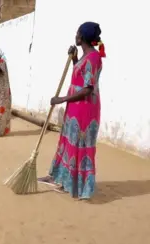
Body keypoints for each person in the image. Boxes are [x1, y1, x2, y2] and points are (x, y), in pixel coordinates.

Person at [38, 22, 105, 200]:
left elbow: (87, 89)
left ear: (81, 37)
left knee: (78, 145)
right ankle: (60, 178)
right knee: (68, 142)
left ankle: (77, 186)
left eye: (76, 34)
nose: (74, 36)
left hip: (84, 109)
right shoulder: (86, 56)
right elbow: (81, 77)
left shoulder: (93, 58)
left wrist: (61, 99)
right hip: (75, 108)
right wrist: (74, 59)